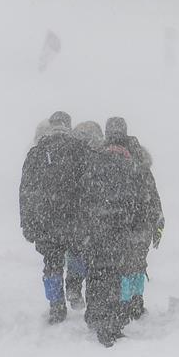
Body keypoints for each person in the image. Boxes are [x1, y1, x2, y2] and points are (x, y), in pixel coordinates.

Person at [77, 117, 148, 346]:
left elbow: (83, 198)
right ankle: (111, 325)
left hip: (96, 232)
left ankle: (95, 316)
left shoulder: (93, 162)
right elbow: (138, 202)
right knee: (115, 277)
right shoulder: (131, 165)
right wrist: (136, 227)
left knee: (96, 274)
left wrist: (86, 226)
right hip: (120, 232)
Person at [19, 111, 87, 323]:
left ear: (51, 126)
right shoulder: (80, 149)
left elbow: (26, 191)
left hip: (46, 219)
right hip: (74, 217)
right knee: (77, 254)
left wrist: (27, 222)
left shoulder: (36, 152)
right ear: (68, 125)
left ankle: (56, 305)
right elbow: (90, 186)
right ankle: (74, 288)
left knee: (51, 263)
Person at [119, 123, 163, 320]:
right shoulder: (143, 168)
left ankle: (125, 303)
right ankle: (137, 303)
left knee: (124, 266)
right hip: (143, 224)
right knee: (138, 264)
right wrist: (158, 225)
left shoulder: (114, 162)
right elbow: (154, 198)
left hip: (123, 223)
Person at [64, 120, 105, 310]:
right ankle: (92, 295)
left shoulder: (70, 157)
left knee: (74, 252)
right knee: (92, 255)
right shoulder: (99, 158)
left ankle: (73, 286)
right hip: (92, 214)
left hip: (73, 214)